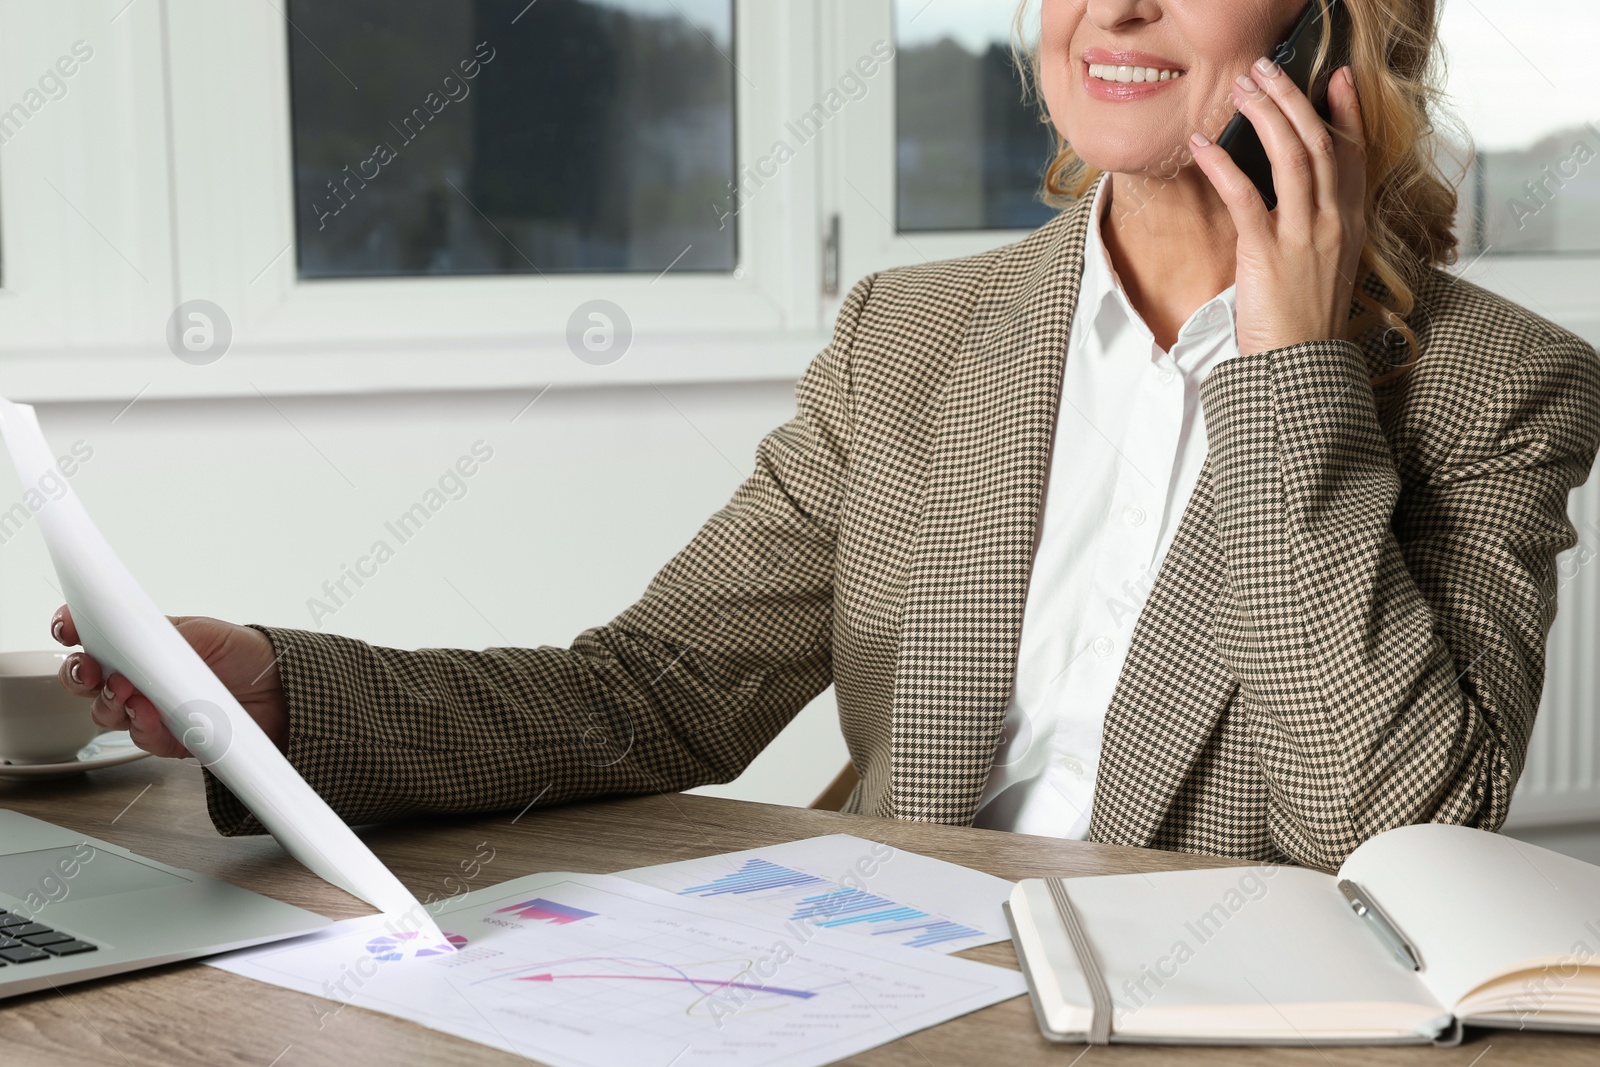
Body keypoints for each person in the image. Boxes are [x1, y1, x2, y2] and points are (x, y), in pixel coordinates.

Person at [52, 0, 1600, 872]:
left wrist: (1289, 381)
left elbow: (1392, 833)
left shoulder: (1492, 386)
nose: (1113, 11)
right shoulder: (911, 336)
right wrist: (275, 690)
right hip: (878, 979)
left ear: (1337, 26)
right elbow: (652, 698)